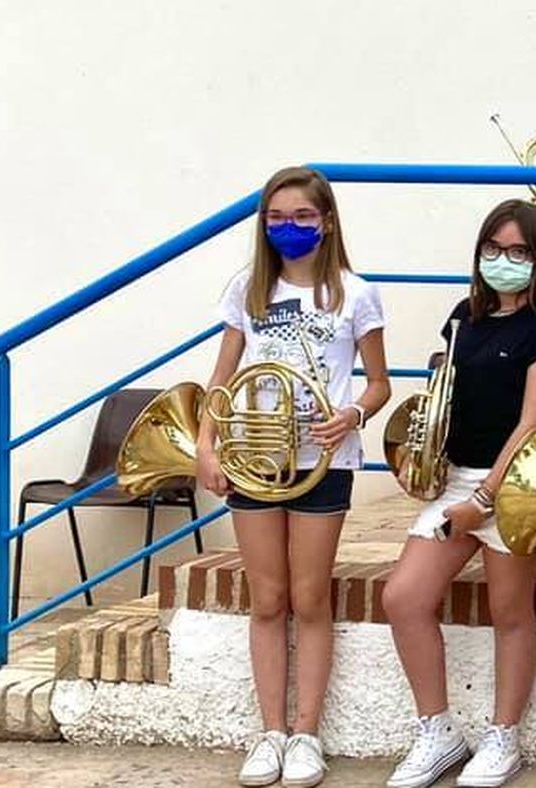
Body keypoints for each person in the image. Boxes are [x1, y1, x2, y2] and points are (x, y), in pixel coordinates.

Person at [200, 166, 390, 788]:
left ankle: (306, 735)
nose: (288, 227)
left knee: (309, 599)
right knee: (267, 601)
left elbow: (380, 383)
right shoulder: (247, 291)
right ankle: (270, 733)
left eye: (302, 217)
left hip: (322, 461)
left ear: (326, 221)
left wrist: (352, 413)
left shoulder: (355, 294)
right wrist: (207, 446)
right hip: (258, 455)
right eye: (276, 218)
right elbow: (223, 378)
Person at [381, 200, 536, 788]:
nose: (504, 261)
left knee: (510, 610)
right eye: (493, 249)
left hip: (515, 485)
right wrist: (426, 460)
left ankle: (502, 737)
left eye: (518, 252)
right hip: (458, 478)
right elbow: (444, 397)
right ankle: (437, 732)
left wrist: (484, 502)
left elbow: (535, 424)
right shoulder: (463, 315)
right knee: (403, 598)